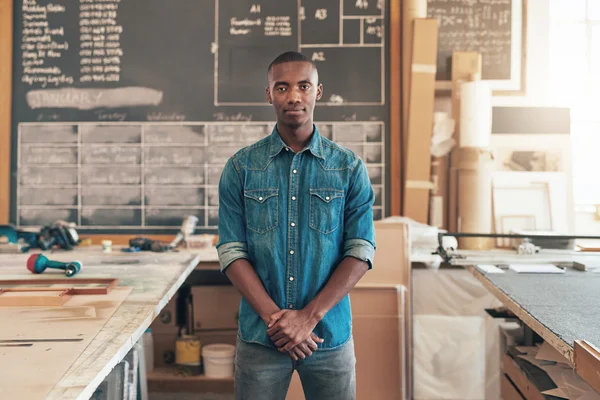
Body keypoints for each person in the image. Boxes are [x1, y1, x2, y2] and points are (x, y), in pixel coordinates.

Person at [217, 50, 376, 400]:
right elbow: (231, 250)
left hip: (328, 337)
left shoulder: (348, 168)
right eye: (282, 87)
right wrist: (278, 321)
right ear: (268, 94)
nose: (293, 96)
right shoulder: (241, 168)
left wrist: (307, 319)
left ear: (318, 92)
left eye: (303, 86)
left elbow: (361, 250)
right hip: (261, 339)